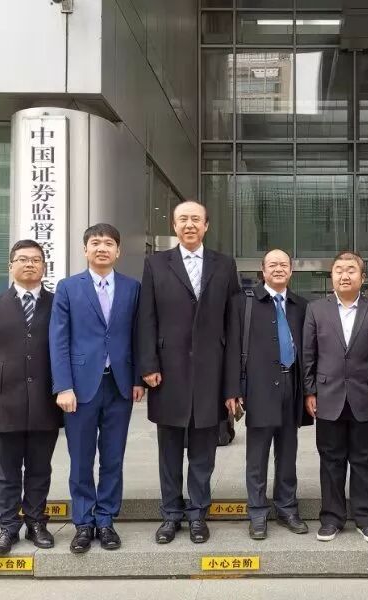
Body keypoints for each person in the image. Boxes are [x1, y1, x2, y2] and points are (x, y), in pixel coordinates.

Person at [136, 200, 241, 545]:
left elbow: (233, 325)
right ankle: (170, 515)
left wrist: (232, 383)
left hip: (211, 374)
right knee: (168, 451)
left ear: (206, 225)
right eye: (183, 219)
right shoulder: (155, 264)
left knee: (203, 452)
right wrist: (148, 364)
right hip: (168, 374)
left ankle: (197, 514)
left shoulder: (224, 265)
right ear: (174, 225)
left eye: (196, 219)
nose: (190, 224)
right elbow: (146, 318)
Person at [49, 223, 144, 554]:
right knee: (81, 458)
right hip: (79, 387)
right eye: (95, 243)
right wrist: (63, 386)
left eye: (108, 243)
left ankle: (105, 520)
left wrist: (137, 379)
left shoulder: (132, 288)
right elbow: (58, 340)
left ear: (118, 251)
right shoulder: (68, 288)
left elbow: (138, 336)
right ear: (85, 249)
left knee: (113, 458)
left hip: (119, 385)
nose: (102, 248)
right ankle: (83, 522)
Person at [0, 239, 62, 556]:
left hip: (45, 401)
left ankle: (36, 523)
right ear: (10, 266)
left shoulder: (57, 304)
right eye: (22, 259)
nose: (29, 264)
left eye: (35, 259)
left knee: (39, 469)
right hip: (4, 400)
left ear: (44, 267)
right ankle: (8, 528)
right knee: (7, 472)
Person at [303, 251, 368, 545]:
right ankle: (331, 518)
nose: (345, 275)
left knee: (365, 459)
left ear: (362, 277)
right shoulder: (316, 310)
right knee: (330, 459)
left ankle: (367, 519)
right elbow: (309, 354)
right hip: (327, 396)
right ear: (332, 276)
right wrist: (309, 390)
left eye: (351, 270)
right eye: (339, 270)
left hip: (366, 395)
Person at [239, 249, 312, 540]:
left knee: (288, 453)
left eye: (284, 264)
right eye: (273, 264)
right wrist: (234, 390)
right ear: (263, 270)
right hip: (259, 388)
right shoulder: (246, 303)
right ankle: (257, 513)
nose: (278, 269)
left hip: (291, 385)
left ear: (291, 270)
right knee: (257, 456)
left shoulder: (301, 305)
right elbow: (233, 348)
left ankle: (287, 508)